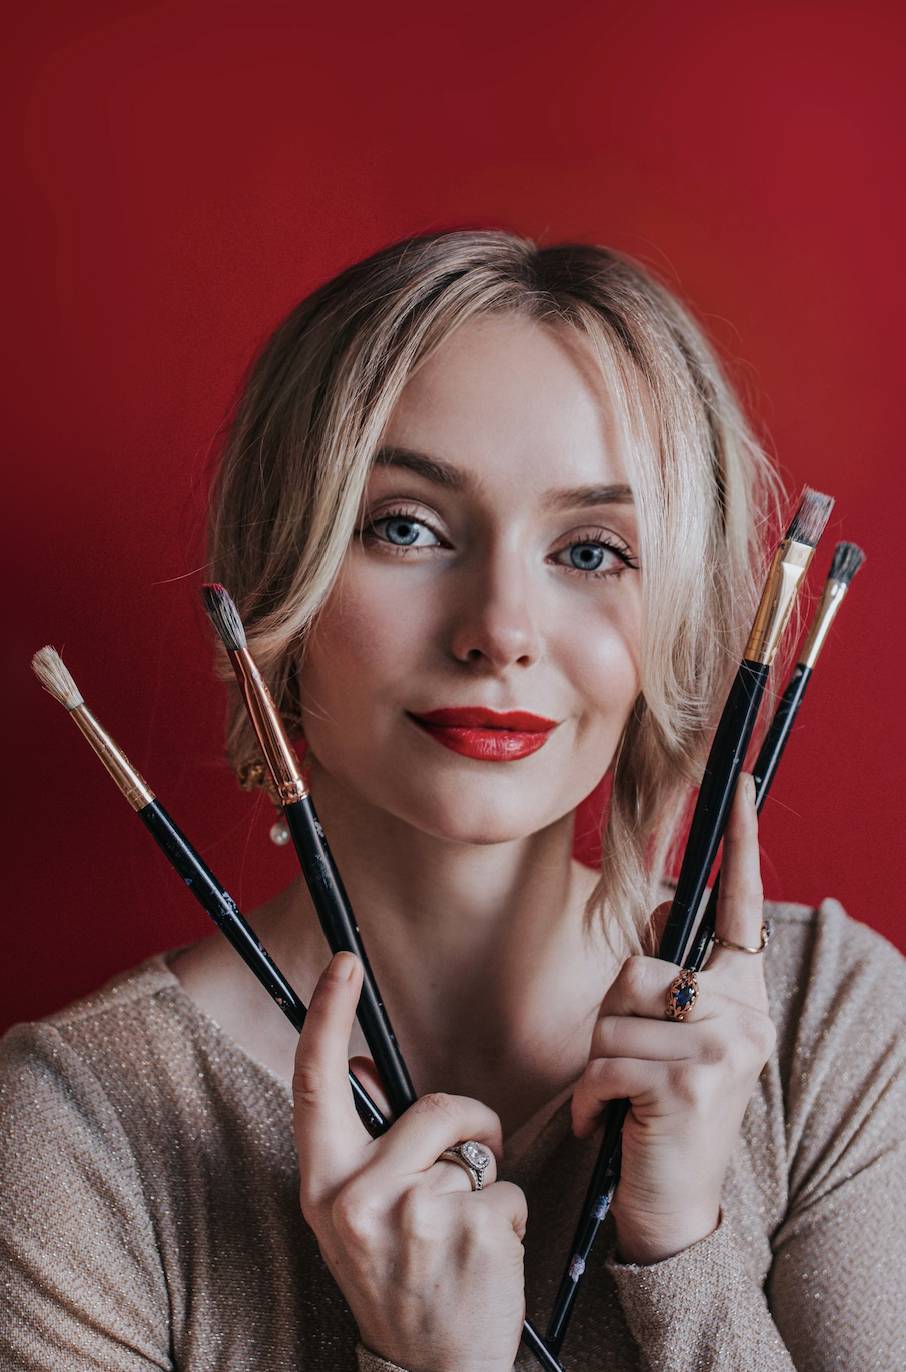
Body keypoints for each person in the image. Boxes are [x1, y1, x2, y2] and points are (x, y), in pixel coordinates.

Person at [2, 232, 905, 1372]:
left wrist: (686, 1250)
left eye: (592, 551)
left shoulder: (831, 1023)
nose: (501, 631)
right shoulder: (82, 1126)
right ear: (282, 576)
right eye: (407, 527)